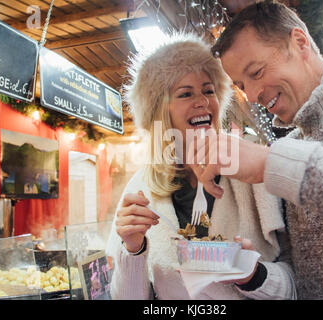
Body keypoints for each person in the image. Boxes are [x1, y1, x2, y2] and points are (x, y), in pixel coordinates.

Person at [190, 0, 323, 299]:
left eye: (256, 72)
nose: (252, 96)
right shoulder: (291, 146)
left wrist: (270, 164)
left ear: (300, 42)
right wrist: (255, 275)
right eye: (241, 85)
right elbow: (305, 277)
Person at [106, 33, 296, 300]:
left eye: (209, 90)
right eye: (186, 93)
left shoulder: (251, 171)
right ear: (160, 110)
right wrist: (133, 249)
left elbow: (297, 283)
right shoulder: (140, 188)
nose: (203, 101)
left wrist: (254, 276)